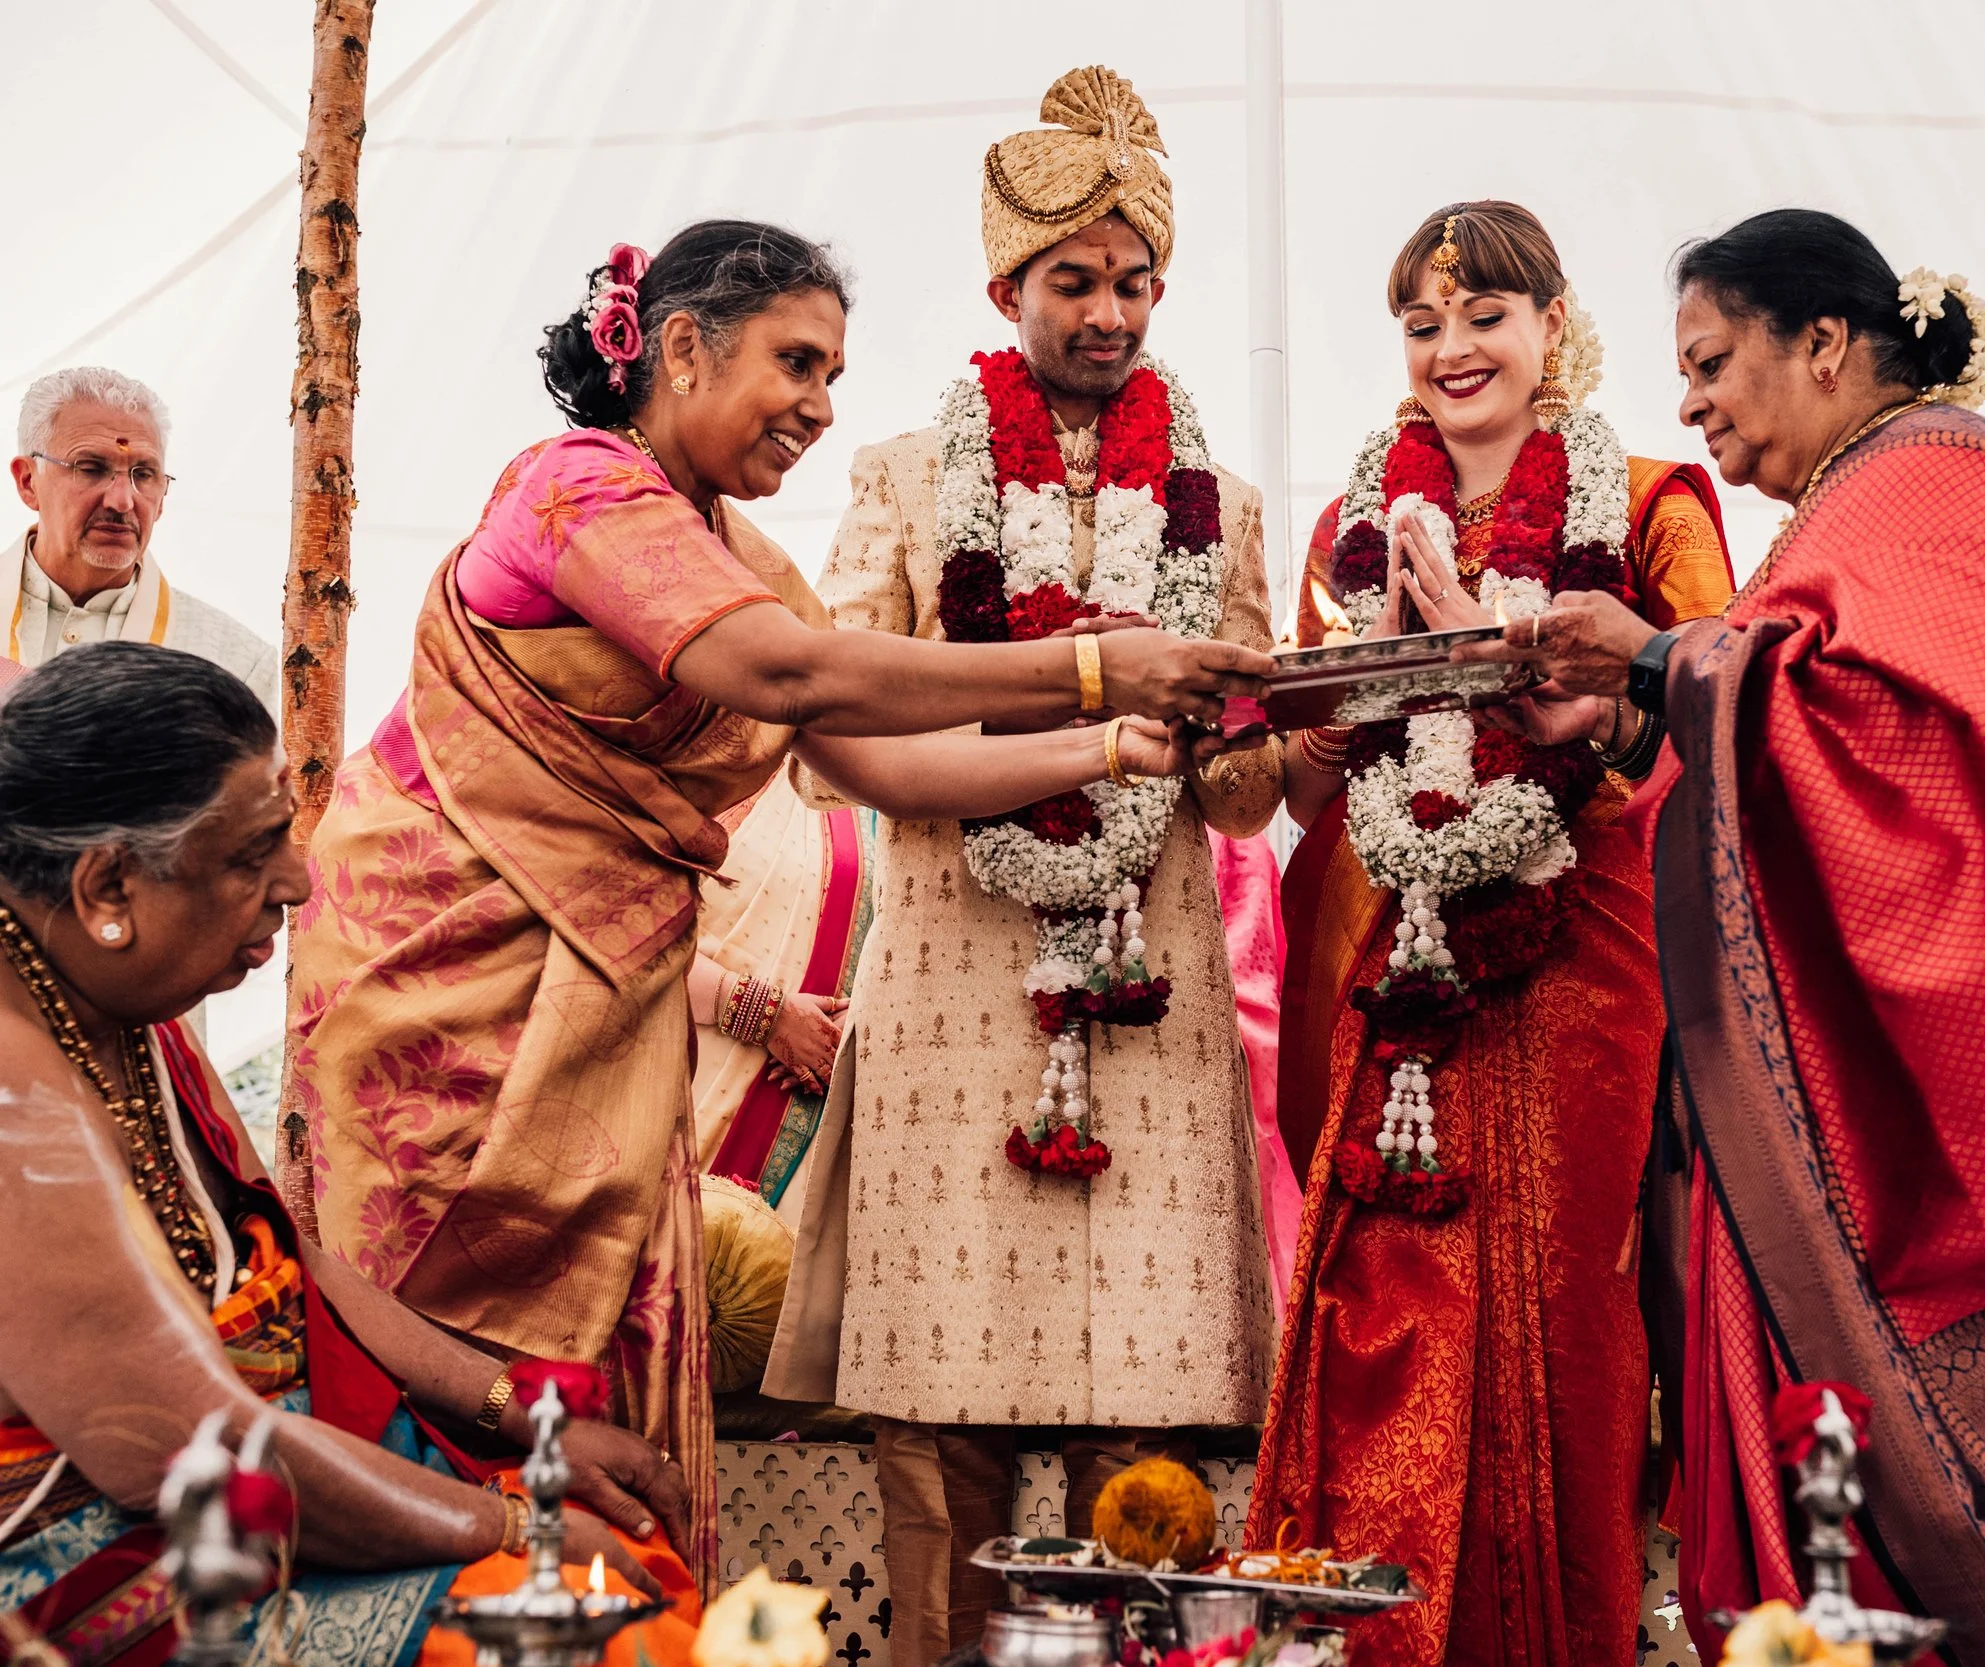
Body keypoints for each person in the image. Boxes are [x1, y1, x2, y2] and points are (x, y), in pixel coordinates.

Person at [288, 216, 1273, 1580]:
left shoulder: (735, 551)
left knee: (602, 1404)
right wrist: (1095, 675)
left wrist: (1111, 746)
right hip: (446, 983)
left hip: (599, 1006)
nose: (818, 405)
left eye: (834, 375)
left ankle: (589, 1603)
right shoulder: (576, 490)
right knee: (419, 1366)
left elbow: (861, 756)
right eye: (795, 362)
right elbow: (802, 679)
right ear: (682, 346)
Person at [1472, 208, 1985, 1665]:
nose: (1686, 399)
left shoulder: (1933, 488)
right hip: (1829, 1134)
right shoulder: (1869, 503)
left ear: (1822, 344)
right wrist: (1633, 711)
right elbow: (1804, 749)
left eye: (1709, 359)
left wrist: (1653, 657)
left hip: (1922, 1168)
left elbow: (1905, 755)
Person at [761, 68, 1284, 1666]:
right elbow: (827, 719)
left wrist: (1246, 722)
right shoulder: (913, 479)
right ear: (1008, 287)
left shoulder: (1226, 507)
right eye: (1077, 281)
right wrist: (1081, 701)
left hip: (1146, 986)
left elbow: (1252, 794)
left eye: (1136, 283)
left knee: (1153, 1391)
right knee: (944, 1388)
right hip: (953, 974)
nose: (1111, 311)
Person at [0, 644, 702, 1667]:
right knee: (605, 1635)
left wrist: (517, 1408)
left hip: (257, 1479)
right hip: (103, 1562)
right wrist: (508, 1525)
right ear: (108, 881)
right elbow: (181, 1448)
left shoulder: (104, 994)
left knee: (639, 1560)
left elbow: (290, 1260)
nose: (297, 881)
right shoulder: (17, 1095)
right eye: (251, 853)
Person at [1247, 202, 1733, 1667]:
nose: (1454, 348)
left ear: (1553, 324)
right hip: (1390, 928)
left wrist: (1573, 708)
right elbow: (1303, 763)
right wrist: (1350, 683)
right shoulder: (1354, 521)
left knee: (1559, 1276)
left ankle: (1555, 1635)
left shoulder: (1649, 499)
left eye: (1486, 316)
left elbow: (1710, 690)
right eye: (1423, 324)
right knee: (1385, 1266)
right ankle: (1373, 1635)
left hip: (1579, 928)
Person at [9, 367, 278, 709]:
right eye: (91, 468)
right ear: (28, 481)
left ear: (163, 496)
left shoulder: (236, 668)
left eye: (145, 474)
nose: (122, 500)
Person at [686, 781, 875, 1209]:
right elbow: (606, 938)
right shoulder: (656, 763)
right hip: (669, 1090)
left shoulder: (872, 791)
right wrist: (766, 1013)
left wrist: (868, 1015)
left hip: (819, 1116)